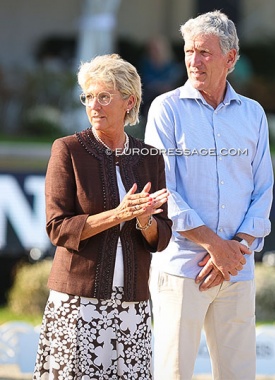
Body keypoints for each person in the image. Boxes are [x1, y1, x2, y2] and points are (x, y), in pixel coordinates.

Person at [145, 10, 274, 380]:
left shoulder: (253, 114)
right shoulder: (166, 109)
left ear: (231, 59)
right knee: (174, 373)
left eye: (204, 52)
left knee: (238, 374)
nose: (193, 61)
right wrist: (216, 247)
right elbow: (163, 190)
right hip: (183, 268)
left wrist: (235, 249)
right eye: (188, 51)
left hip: (237, 268)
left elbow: (263, 188)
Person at [33, 54, 173, 379]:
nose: (94, 105)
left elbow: (162, 235)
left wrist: (144, 221)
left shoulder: (149, 157)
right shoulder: (68, 150)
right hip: (78, 304)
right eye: (89, 96)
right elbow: (57, 227)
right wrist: (118, 214)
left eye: (104, 96)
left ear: (130, 102)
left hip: (132, 306)